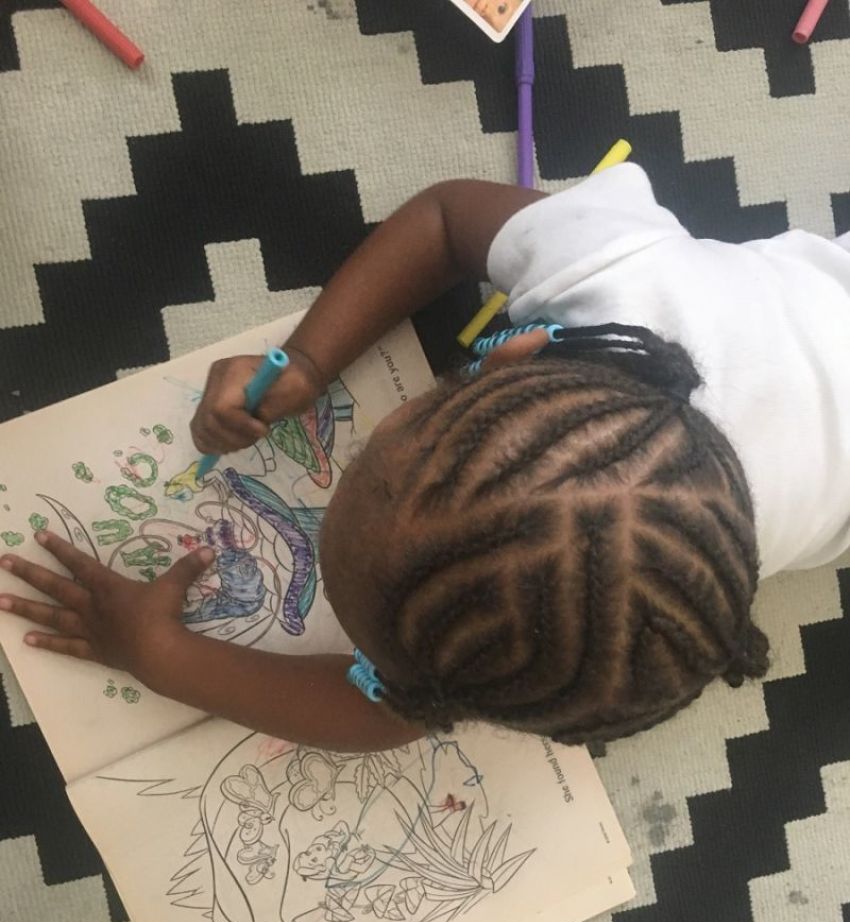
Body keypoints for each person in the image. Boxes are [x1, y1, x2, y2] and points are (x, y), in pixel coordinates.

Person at [4, 164, 850, 754]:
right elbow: (446, 217)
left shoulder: (683, 583)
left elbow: (381, 715)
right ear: (510, 356)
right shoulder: (613, 267)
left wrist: (161, 655)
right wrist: (308, 358)